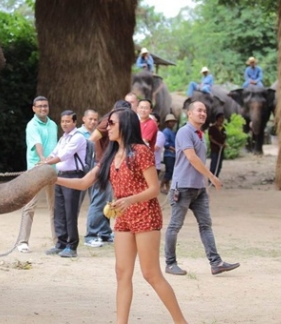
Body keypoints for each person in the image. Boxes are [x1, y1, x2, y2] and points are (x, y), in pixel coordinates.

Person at [56, 108, 188, 324]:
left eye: (112, 123)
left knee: (150, 274)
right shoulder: (110, 155)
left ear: (125, 125)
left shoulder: (141, 151)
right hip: (124, 217)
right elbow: (83, 183)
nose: (107, 127)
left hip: (145, 214)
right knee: (121, 273)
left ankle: (181, 322)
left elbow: (154, 189)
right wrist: (52, 178)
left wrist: (129, 200)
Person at [164, 101, 240, 276]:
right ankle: (170, 263)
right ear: (189, 113)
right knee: (175, 226)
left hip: (198, 189)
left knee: (206, 225)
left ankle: (216, 263)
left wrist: (204, 185)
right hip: (183, 187)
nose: (202, 113)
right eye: (199, 110)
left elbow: (199, 160)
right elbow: (191, 158)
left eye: (204, 111)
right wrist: (212, 177)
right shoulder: (184, 132)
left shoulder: (200, 134)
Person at [84, 100, 131, 248]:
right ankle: (91, 235)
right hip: (101, 164)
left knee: (106, 200)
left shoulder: (116, 122)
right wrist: (92, 161)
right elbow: (91, 139)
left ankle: (104, 232)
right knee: (98, 200)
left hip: (109, 164)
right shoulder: (107, 121)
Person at [41, 111, 87, 258]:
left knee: (70, 212)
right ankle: (60, 243)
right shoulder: (63, 138)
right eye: (63, 121)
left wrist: (47, 163)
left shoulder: (78, 137)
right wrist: (46, 160)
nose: (65, 124)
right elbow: (55, 153)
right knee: (59, 211)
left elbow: (64, 155)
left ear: (74, 122)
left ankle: (71, 246)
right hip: (60, 176)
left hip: (73, 176)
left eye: (68, 121)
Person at [16, 96, 58, 253]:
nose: (43, 108)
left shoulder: (53, 125)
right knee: (30, 206)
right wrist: (42, 158)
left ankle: (58, 241)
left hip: (53, 171)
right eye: (39, 106)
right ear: (34, 108)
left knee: (55, 208)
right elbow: (37, 144)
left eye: (45, 106)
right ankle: (22, 242)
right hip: (36, 171)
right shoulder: (32, 125)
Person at [161, 114, 178, 194]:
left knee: (171, 171)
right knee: (169, 171)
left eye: (173, 122)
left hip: (173, 154)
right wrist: (174, 149)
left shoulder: (173, 132)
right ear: (167, 123)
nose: (172, 123)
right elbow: (165, 143)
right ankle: (161, 185)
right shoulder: (166, 131)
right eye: (170, 122)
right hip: (169, 154)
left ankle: (167, 187)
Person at [208, 113, 227, 178]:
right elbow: (211, 138)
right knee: (214, 164)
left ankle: (216, 177)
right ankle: (211, 179)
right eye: (221, 118)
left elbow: (224, 138)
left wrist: (224, 144)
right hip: (214, 149)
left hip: (221, 150)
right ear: (218, 119)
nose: (223, 120)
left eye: (223, 118)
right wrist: (218, 144)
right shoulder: (212, 128)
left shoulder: (223, 128)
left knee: (219, 165)